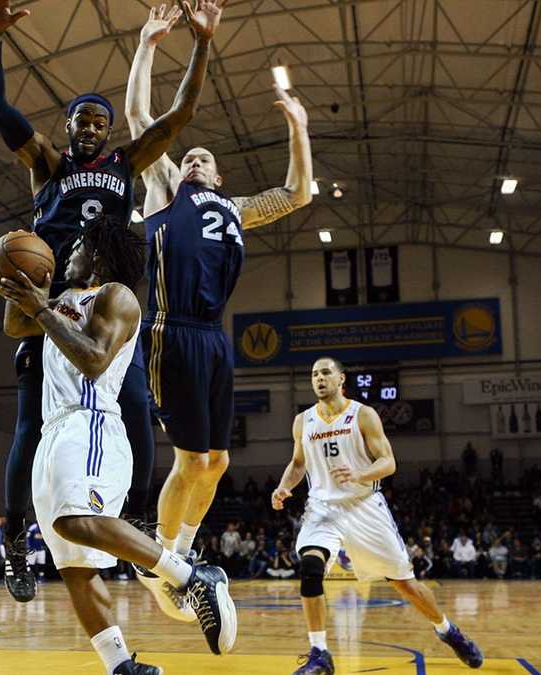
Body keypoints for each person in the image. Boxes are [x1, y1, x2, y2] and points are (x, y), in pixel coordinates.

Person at [0, 0, 221, 602]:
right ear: (67, 126)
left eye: (97, 122)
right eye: (80, 120)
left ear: (107, 131)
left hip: (106, 304)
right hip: (49, 300)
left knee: (138, 411)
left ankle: (138, 519)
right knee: (29, 425)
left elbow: (181, 113)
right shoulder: (48, 165)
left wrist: (202, 41)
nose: (88, 128)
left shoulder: (127, 162)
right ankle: (14, 543)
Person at [124, 5, 312, 613]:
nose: (195, 160)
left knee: (218, 460)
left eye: (205, 158)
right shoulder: (164, 188)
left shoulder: (234, 208)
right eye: (190, 157)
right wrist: (148, 44)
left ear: (221, 175)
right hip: (168, 331)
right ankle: (162, 559)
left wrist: (299, 129)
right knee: (189, 458)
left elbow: (298, 193)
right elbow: (137, 116)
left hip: (212, 337)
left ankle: (175, 552)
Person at [0, 215, 238, 673]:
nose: (69, 252)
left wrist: (44, 309)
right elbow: (15, 326)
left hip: (92, 427)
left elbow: (93, 359)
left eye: (80, 246)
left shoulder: (117, 297)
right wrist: (23, 282)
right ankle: (122, 666)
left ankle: (193, 577)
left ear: (101, 255)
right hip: (54, 432)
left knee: (76, 521)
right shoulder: (63, 297)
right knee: (74, 570)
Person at [271, 358, 482, 674]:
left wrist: (359, 473)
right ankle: (320, 653)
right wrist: (283, 486)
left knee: (405, 585)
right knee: (310, 567)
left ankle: (447, 630)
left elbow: (388, 462)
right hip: (322, 509)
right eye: (314, 374)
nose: (319, 378)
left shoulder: (363, 415)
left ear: (341, 379)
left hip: (364, 507)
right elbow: (298, 463)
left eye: (326, 372)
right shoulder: (303, 421)